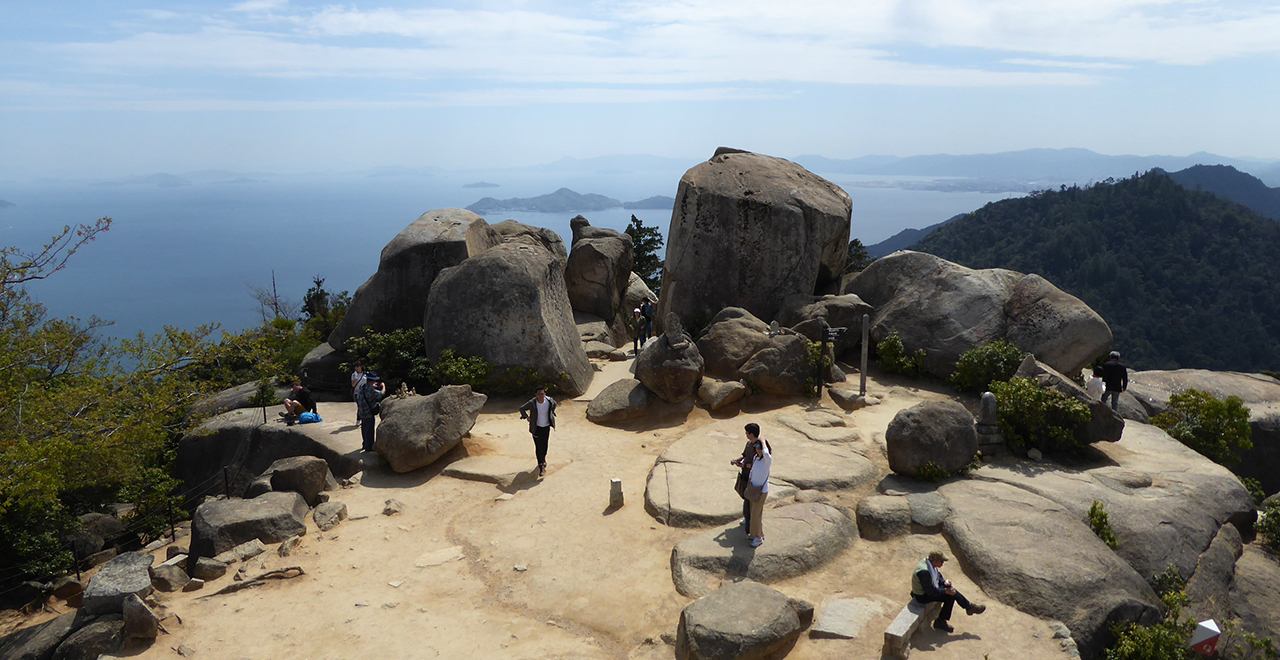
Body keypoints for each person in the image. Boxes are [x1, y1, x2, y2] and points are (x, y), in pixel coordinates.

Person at [911, 550, 985, 633]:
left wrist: (944, 582)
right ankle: (943, 620)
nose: (943, 563)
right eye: (941, 561)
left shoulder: (930, 564)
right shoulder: (924, 572)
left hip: (927, 590)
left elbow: (937, 576)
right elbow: (930, 591)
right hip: (922, 596)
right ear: (935, 561)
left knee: (951, 591)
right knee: (950, 595)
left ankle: (969, 607)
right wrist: (945, 591)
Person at [518, 386, 557, 477]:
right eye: (538, 394)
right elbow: (522, 408)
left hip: (546, 427)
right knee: (538, 446)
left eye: (542, 394)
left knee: (545, 445)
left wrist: (552, 412)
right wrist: (526, 417)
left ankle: (543, 459)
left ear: (545, 394)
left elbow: (554, 404)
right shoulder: (533, 403)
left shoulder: (549, 401)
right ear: (536, 395)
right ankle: (541, 466)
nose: (540, 396)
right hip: (536, 428)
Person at [730, 423, 762, 530]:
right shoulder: (749, 443)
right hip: (745, 474)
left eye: (747, 433)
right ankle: (746, 517)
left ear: (751, 434)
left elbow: (757, 463)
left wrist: (745, 466)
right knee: (745, 496)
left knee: (749, 499)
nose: (746, 434)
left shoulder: (758, 447)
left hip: (752, 477)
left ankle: (750, 520)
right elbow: (744, 455)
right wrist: (736, 460)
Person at [744, 431, 772, 548]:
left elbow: (765, 452)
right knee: (754, 513)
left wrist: (763, 441)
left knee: (755, 514)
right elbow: (753, 471)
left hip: (761, 491)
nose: (758, 450)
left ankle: (758, 538)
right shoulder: (756, 458)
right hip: (753, 489)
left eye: (759, 449)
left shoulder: (767, 460)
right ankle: (758, 533)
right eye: (756, 449)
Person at [354, 372, 385, 452]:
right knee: (370, 430)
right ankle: (369, 447)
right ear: (373, 381)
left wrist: (372, 386)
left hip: (362, 412)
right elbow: (381, 394)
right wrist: (383, 386)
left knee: (364, 428)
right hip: (369, 413)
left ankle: (365, 444)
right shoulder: (370, 389)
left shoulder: (362, 386)